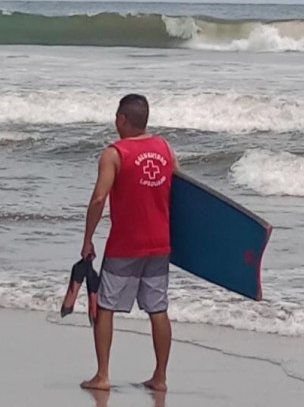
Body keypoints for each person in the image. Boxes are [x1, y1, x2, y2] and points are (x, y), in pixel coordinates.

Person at [79, 94, 177, 393]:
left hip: (125, 245)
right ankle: (160, 377)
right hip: (160, 244)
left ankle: (103, 375)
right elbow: (180, 194)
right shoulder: (165, 148)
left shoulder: (114, 153)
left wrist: (87, 240)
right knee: (157, 309)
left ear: (122, 119)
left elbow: (98, 199)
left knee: (105, 307)